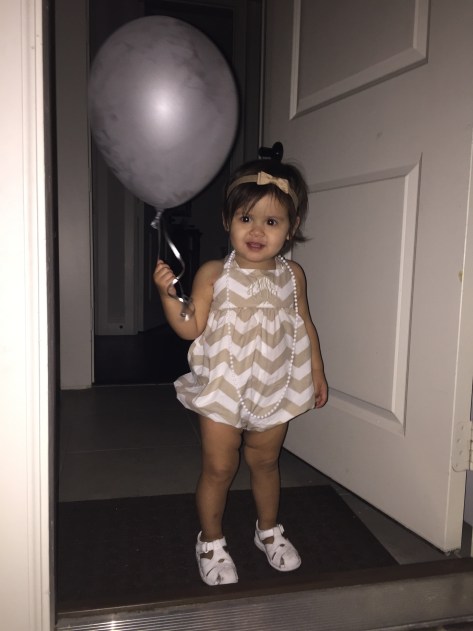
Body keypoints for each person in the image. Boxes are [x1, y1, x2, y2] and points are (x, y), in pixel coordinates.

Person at [153, 158, 328, 586]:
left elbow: (304, 324)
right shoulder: (215, 274)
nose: (257, 231)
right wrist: (168, 296)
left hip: (275, 386)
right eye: (246, 218)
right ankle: (210, 540)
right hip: (223, 389)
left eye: (271, 221)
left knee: (266, 462)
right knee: (219, 468)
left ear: (291, 227)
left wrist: (317, 372)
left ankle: (267, 530)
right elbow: (190, 327)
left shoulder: (293, 275)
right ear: (227, 221)